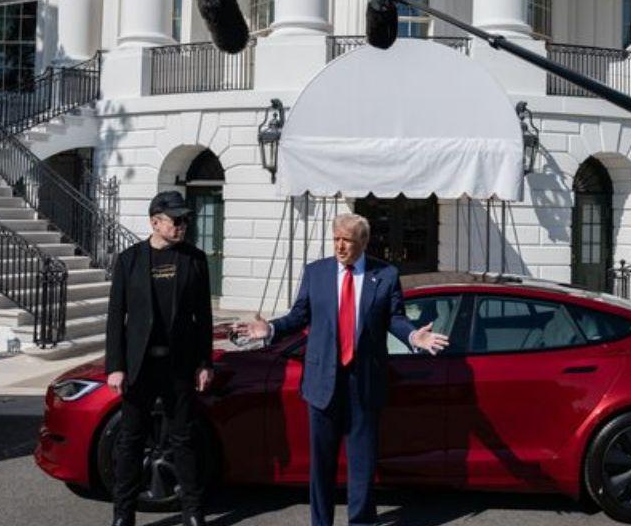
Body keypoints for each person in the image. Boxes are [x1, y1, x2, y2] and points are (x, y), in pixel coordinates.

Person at [234, 213, 449, 526]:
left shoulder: (385, 274)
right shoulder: (316, 273)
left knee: (361, 464)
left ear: (362, 241)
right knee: (320, 465)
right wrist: (269, 329)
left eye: (347, 240)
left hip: (364, 383)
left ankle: (360, 521)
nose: (340, 246)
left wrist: (415, 336)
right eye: (335, 239)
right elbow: (298, 317)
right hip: (322, 383)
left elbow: (395, 318)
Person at [105, 191, 215, 526]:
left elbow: (204, 318)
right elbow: (115, 318)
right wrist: (116, 366)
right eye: (175, 220)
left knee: (183, 440)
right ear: (155, 222)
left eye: (184, 220)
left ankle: (193, 513)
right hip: (140, 367)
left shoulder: (195, 259)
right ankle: (123, 515)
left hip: (179, 366)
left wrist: (205, 362)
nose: (182, 225)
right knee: (131, 441)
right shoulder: (129, 260)